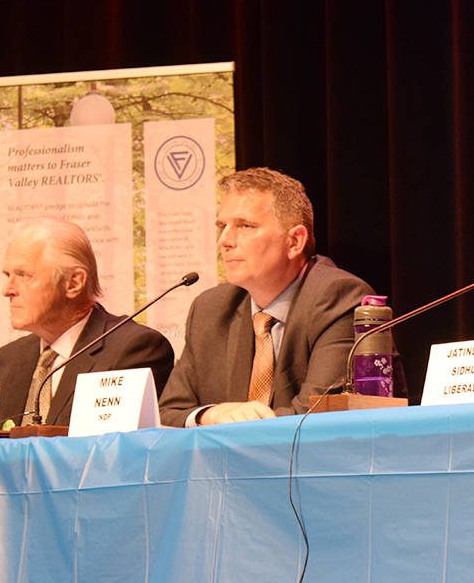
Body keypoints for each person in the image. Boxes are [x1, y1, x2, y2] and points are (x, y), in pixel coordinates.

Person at [158, 168, 373, 426]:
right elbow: (168, 412)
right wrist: (211, 414)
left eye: (245, 226)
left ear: (295, 241)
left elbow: (318, 412)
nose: (224, 241)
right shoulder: (211, 309)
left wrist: (239, 426)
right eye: (222, 226)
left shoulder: (339, 297)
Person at [0, 218, 174, 427]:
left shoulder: (134, 350)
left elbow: (113, 443)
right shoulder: (6, 361)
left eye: (24, 275)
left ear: (74, 283)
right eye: (8, 275)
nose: (7, 290)